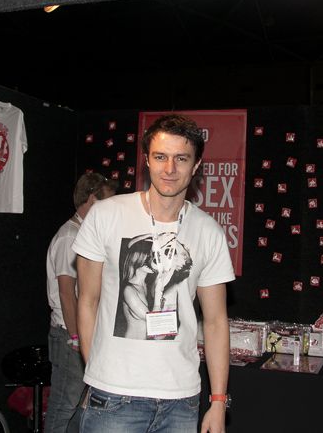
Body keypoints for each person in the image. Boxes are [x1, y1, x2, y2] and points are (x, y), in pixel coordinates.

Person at [74, 114, 235, 433]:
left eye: (181, 158)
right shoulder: (105, 215)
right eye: (161, 157)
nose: (170, 168)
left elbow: (216, 321)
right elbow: (87, 301)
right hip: (113, 397)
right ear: (147, 160)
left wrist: (218, 401)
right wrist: (98, 374)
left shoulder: (209, 232)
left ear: (196, 164)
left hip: (181, 401)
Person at [45, 172, 117, 433]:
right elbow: (67, 293)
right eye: (107, 202)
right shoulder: (69, 237)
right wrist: (76, 337)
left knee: (78, 407)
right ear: (92, 199)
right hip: (69, 335)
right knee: (63, 407)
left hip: (79, 334)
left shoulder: (84, 234)